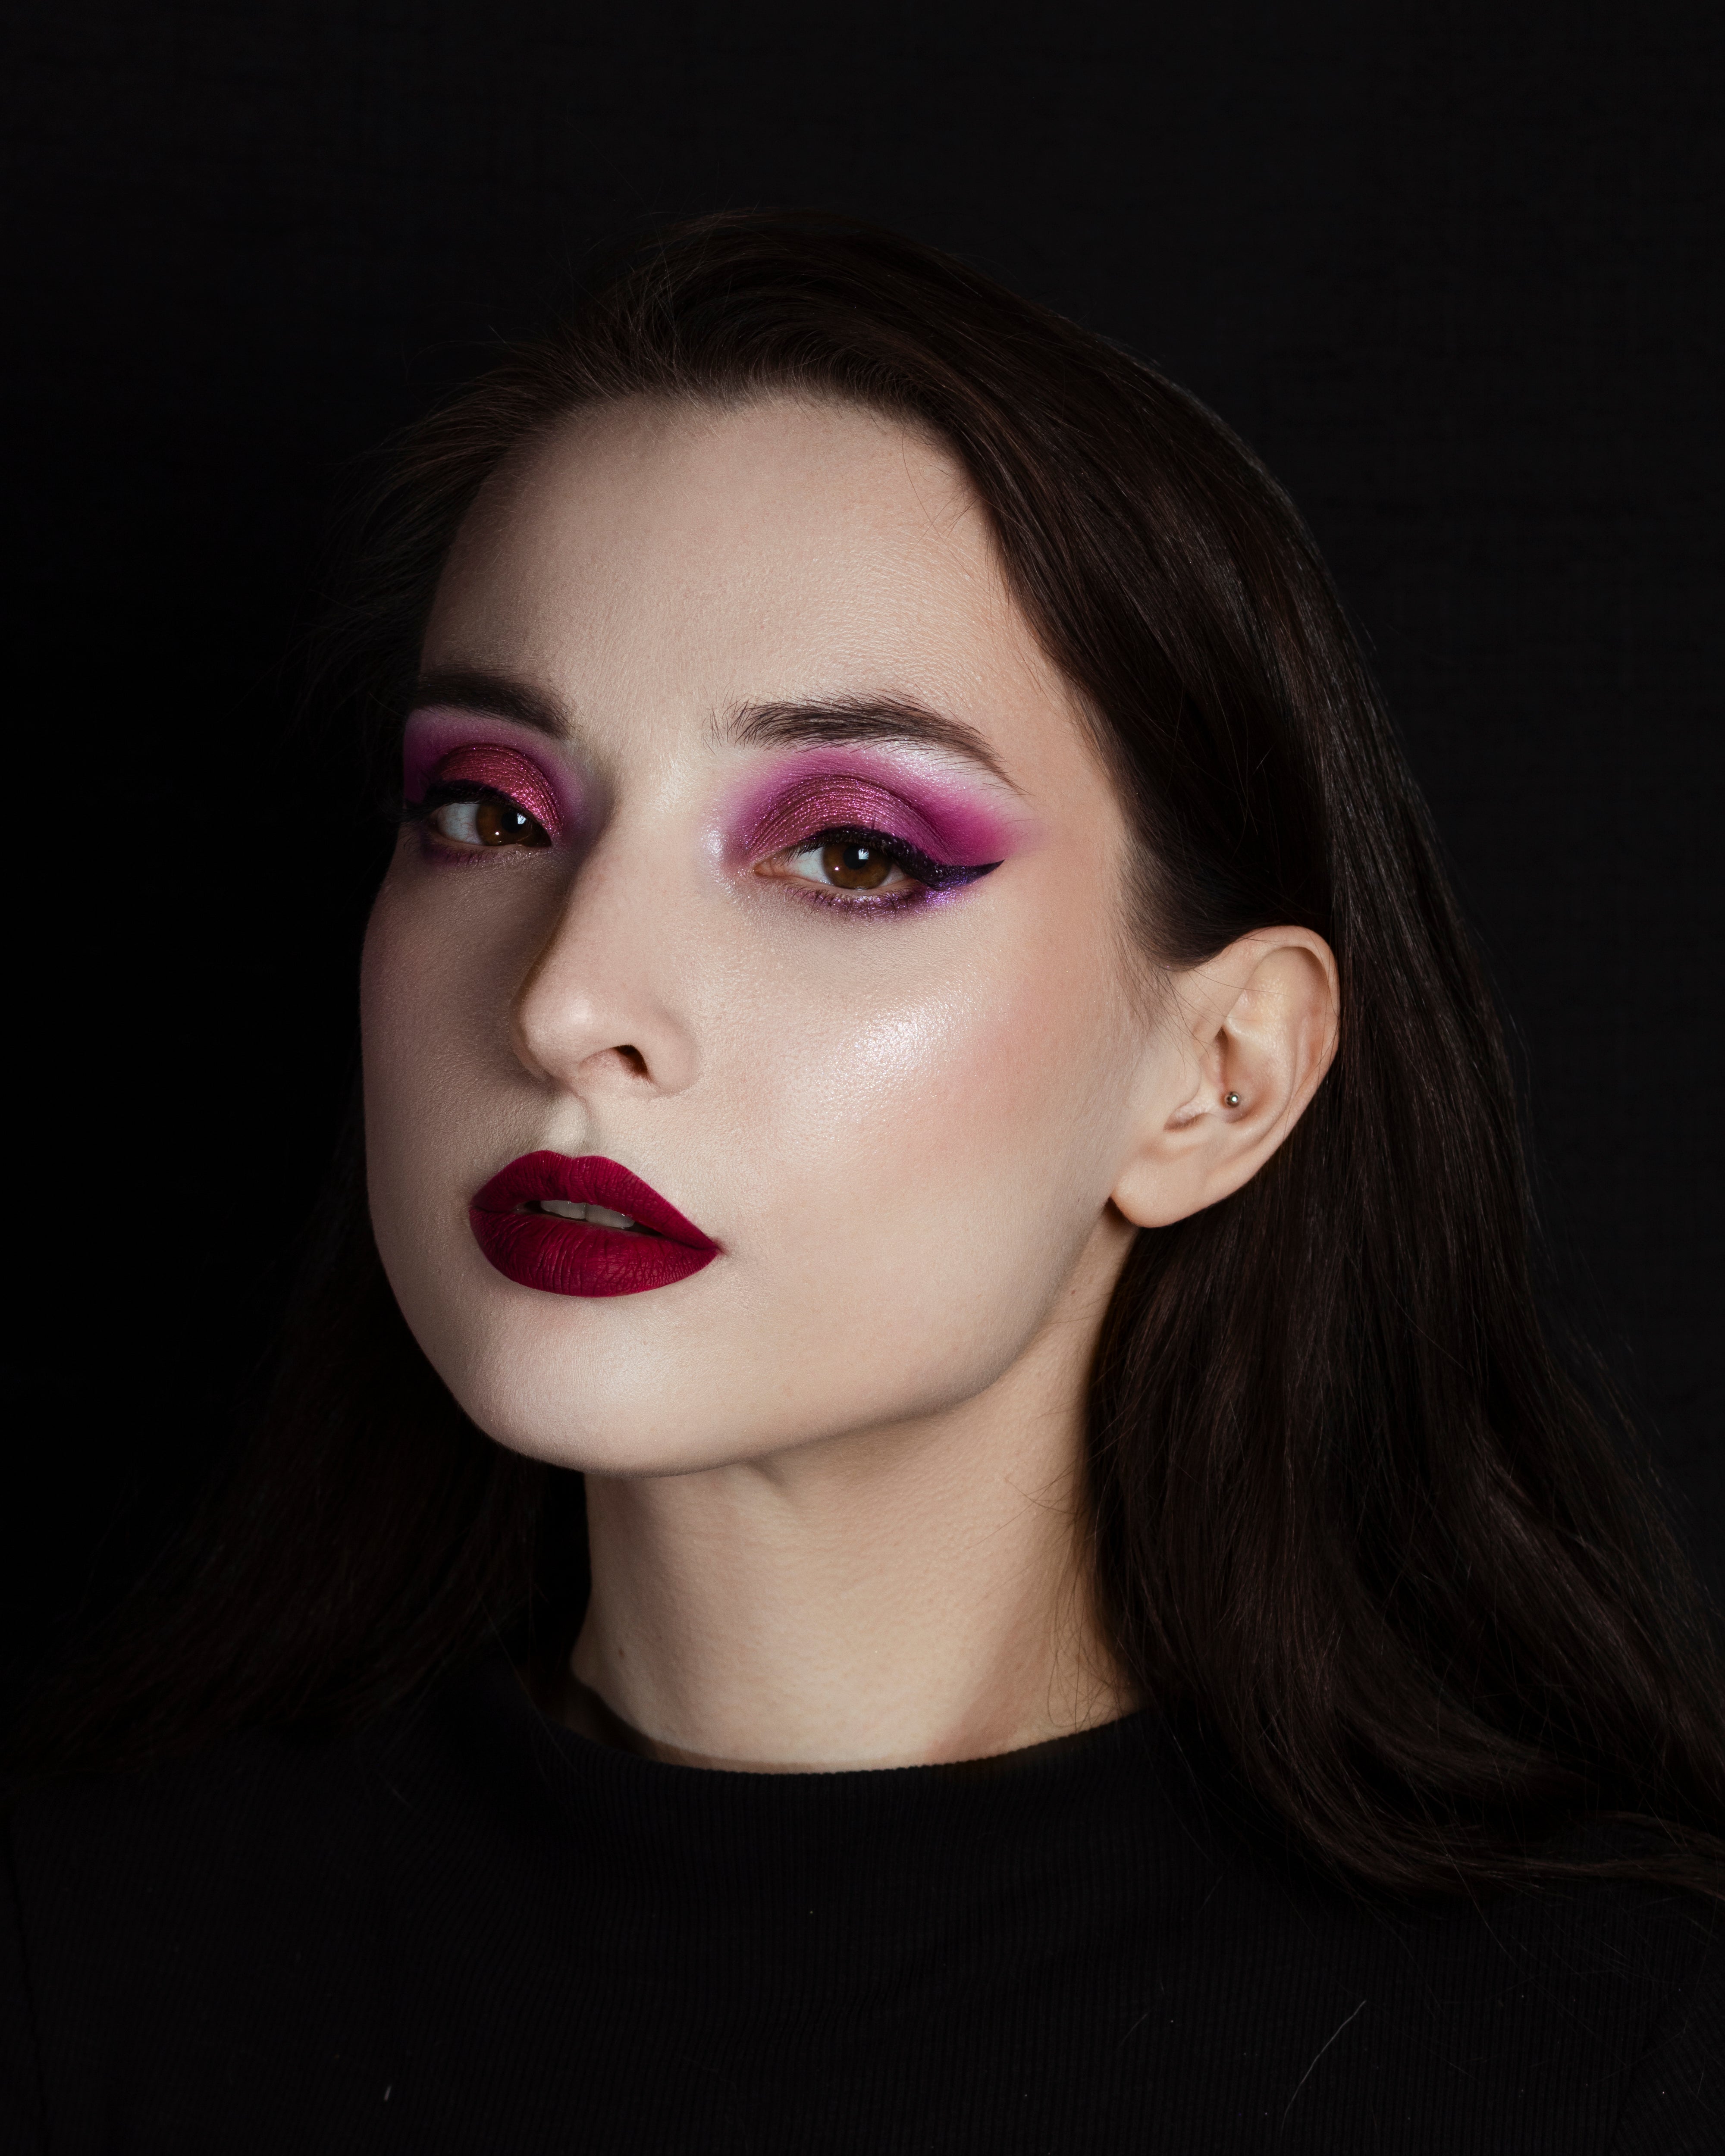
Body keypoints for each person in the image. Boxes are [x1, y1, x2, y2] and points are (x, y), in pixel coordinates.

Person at [4, 213, 1721, 2154]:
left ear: (1217, 1076)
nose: (568, 1002)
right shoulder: (86, 1977)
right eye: (489, 811)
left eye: (848, 856)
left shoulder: (1608, 2061)